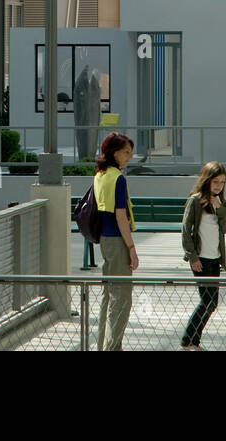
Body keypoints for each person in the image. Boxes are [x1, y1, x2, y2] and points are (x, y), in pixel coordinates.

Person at [180, 161, 226, 350]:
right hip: (200, 259)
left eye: (222, 182)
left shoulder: (219, 203)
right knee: (207, 300)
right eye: (215, 181)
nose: (218, 186)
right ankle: (188, 341)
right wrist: (192, 256)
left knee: (212, 302)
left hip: (214, 258)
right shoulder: (195, 201)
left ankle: (193, 340)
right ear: (206, 180)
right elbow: (186, 230)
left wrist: (220, 209)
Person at [94, 131, 137, 351]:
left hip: (104, 239)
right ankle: (112, 347)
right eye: (126, 152)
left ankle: (104, 344)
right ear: (114, 152)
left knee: (108, 295)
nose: (130, 157)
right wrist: (131, 248)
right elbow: (121, 216)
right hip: (118, 240)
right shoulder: (118, 178)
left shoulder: (100, 174)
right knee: (122, 298)